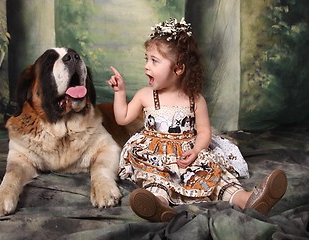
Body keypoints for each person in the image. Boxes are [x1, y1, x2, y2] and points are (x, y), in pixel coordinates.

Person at [107, 18, 287, 222]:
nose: (147, 66)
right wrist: (119, 92)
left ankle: (247, 199)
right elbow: (122, 118)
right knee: (157, 179)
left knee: (214, 177)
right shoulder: (145, 95)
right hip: (156, 156)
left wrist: (196, 151)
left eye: (154, 61)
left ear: (178, 69)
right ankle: (159, 205)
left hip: (188, 153)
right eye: (146, 59)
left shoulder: (196, 100)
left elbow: (204, 132)